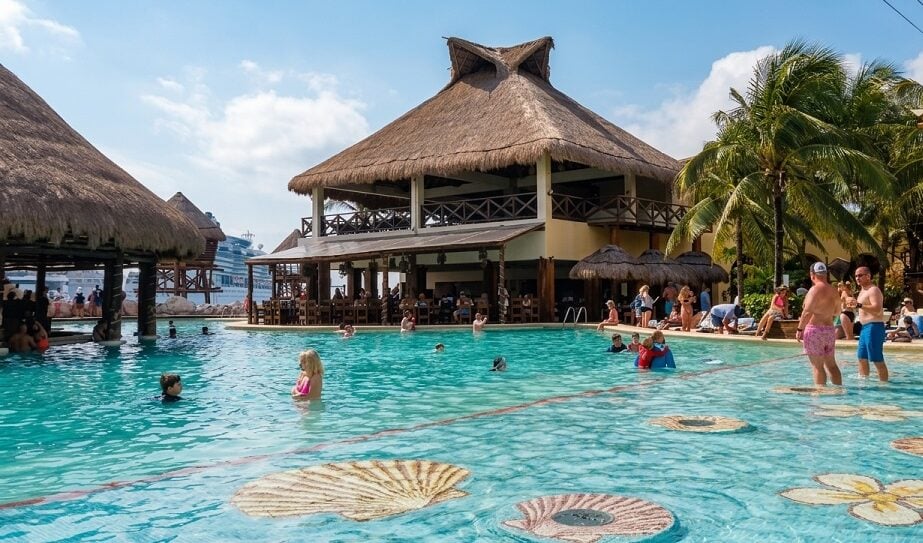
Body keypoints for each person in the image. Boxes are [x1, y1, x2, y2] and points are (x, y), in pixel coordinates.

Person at [794, 262, 842, 387]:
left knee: (817, 366)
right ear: (826, 274)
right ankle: (839, 391)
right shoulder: (834, 290)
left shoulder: (814, 290)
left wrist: (800, 328)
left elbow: (807, 312)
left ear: (812, 275)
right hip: (829, 330)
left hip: (815, 330)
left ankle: (819, 397)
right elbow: (837, 312)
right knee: (831, 364)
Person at [851, 266, 888, 382]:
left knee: (876, 358)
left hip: (874, 326)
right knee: (862, 358)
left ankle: (884, 386)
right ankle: (864, 383)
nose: (857, 278)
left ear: (868, 276)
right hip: (864, 327)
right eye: (856, 276)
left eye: (860, 275)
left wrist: (859, 305)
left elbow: (877, 309)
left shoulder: (873, 290)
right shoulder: (862, 291)